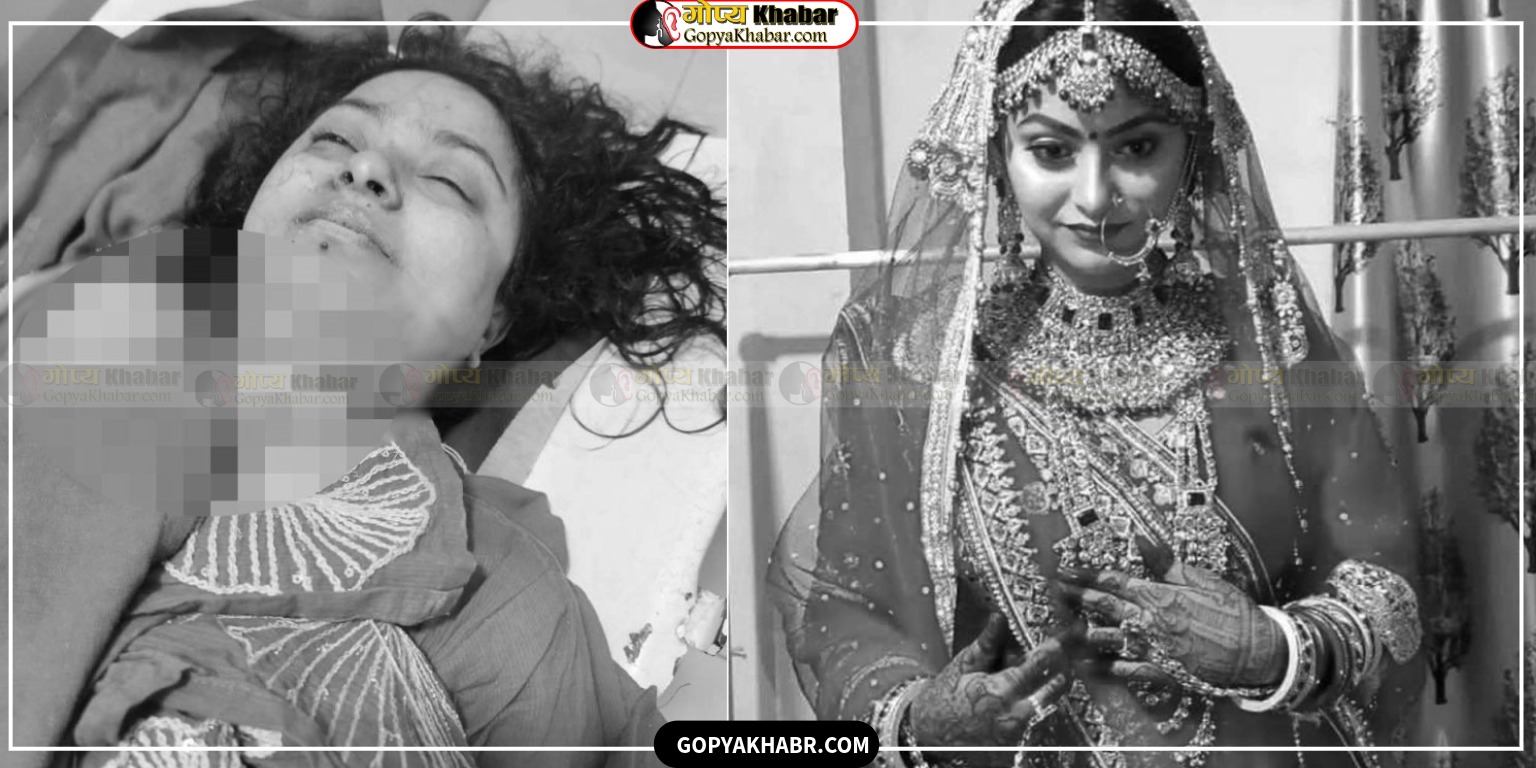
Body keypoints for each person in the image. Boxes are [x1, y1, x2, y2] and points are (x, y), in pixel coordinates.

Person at [12, 23, 722, 767]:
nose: (366, 169)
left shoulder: (510, 590)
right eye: (333, 140)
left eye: (449, 180)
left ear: (494, 320)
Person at [768, 2, 1424, 767]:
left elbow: (1383, 584)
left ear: (1193, 147)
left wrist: (1272, 651)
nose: (1093, 195)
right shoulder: (915, 365)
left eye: (1136, 147)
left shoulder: (1272, 345)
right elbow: (847, 609)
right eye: (1050, 151)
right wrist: (919, 719)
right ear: (996, 155)